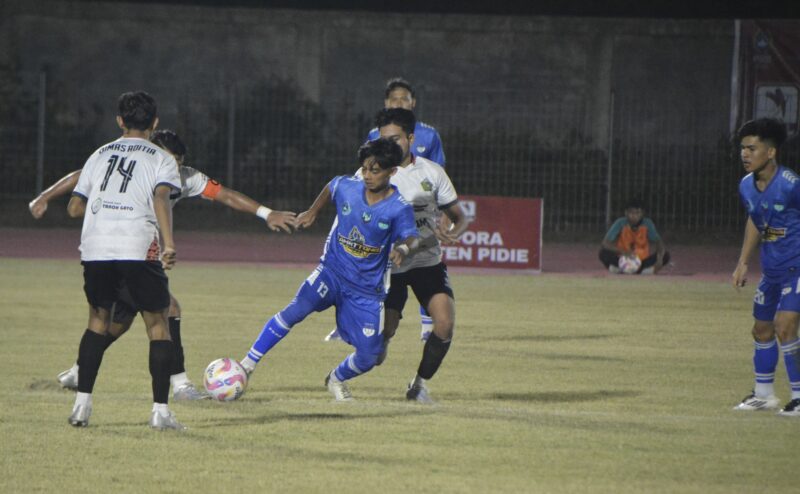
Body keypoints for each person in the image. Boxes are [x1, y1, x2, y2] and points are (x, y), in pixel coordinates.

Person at [29, 130, 297, 401]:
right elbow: (82, 175)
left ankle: (78, 371)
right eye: (171, 160)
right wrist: (46, 197)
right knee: (169, 309)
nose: (174, 168)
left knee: (120, 322)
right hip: (122, 252)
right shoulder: (136, 167)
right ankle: (180, 385)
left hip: (135, 255)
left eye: (179, 162)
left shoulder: (185, 178)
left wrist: (266, 213)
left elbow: (224, 194)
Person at [239, 138, 418, 401]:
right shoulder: (348, 187)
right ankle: (246, 366)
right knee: (295, 311)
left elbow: (412, 236)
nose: (367, 175)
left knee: (371, 356)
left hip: (366, 290)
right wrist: (313, 211)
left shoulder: (399, 207)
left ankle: (336, 378)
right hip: (331, 273)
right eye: (364, 169)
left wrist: (402, 249)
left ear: (392, 171)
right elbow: (332, 186)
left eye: (375, 170)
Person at [65, 91, 183, 429]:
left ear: (120, 121)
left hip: (96, 246)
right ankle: (160, 413)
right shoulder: (161, 158)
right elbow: (161, 198)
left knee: (97, 321)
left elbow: (74, 208)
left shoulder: (98, 154)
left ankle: (81, 407)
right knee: (158, 324)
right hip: (137, 244)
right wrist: (168, 243)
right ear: (154, 122)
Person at [327, 77, 446, 343]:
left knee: (424, 260)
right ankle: (353, 319)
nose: (399, 103)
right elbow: (368, 170)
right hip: (385, 208)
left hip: (419, 209)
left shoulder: (429, 135)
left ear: (413, 103)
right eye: (394, 99)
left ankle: (428, 321)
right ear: (386, 103)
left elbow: (438, 175)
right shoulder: (375, 134)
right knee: (372, 263)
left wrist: (442, 213)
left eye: (404, 99)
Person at [732, 117, 800, 417]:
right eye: (743, 148)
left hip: (796, 268)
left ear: (770, 152)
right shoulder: (746, 186)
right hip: (771, 271)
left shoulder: (791, 185)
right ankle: (763, 395)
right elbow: (755, 219)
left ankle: (799, 396)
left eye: (752, 148)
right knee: (761, 330)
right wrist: (743, 262)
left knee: (785, 326)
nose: (745, 154)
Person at [598, 199, 670, 274]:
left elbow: (658, 242)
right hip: (623, 258)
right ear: (626, 213)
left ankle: (622, 270)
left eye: (637, 213)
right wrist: (623, 252)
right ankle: (641, 271)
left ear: (642, 213)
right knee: (603, 253)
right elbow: (605, 243)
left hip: (642, 260)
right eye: (631, 213)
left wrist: (659, 259)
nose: (634, 216)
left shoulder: (647, 224)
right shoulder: (620, 223)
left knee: (665, 255)